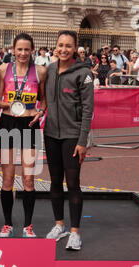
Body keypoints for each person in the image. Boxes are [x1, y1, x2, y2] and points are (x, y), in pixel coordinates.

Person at [44, 30, 94, 250]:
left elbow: (87, 109)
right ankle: (59, 225)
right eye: (60, 45)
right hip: (51, 134)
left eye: (68, 46)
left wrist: (83, 141)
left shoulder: (83, 74)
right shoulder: (50, 69)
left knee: (73, 183)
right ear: (56, 46)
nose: (63, 49)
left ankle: (75, 232)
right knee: (55, 181)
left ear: (75, 48)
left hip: (73, 136)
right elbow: (45, 98)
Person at [0, 33, 46, 238]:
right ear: (13, 50)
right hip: (8, 122)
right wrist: (8, 104)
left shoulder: (41, 71)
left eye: (27, 49)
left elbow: (43, 101)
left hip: (30, 123)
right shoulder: (3, 69)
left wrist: (40, 112)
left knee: (29, 179)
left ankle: (28, 225)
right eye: (19, 49)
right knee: (7, 178)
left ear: (32, 50)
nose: (23, 53)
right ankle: (7, 224)